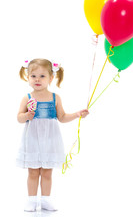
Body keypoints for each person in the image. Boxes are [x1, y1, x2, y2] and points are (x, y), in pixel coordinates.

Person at [16, 59, 89, 212]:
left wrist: (77, 115)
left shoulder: (55, 98)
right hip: (33, 139)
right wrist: (27, 115)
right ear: (27, 77)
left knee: (47, 171)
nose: (37, 79)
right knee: (33, 171)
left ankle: (46, 200)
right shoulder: (27, 97)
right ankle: (31, 199)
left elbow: (62, 117)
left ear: (50, 78)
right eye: (33, 75)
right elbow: (19, 118)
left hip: (50, 139)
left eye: (42, 76)